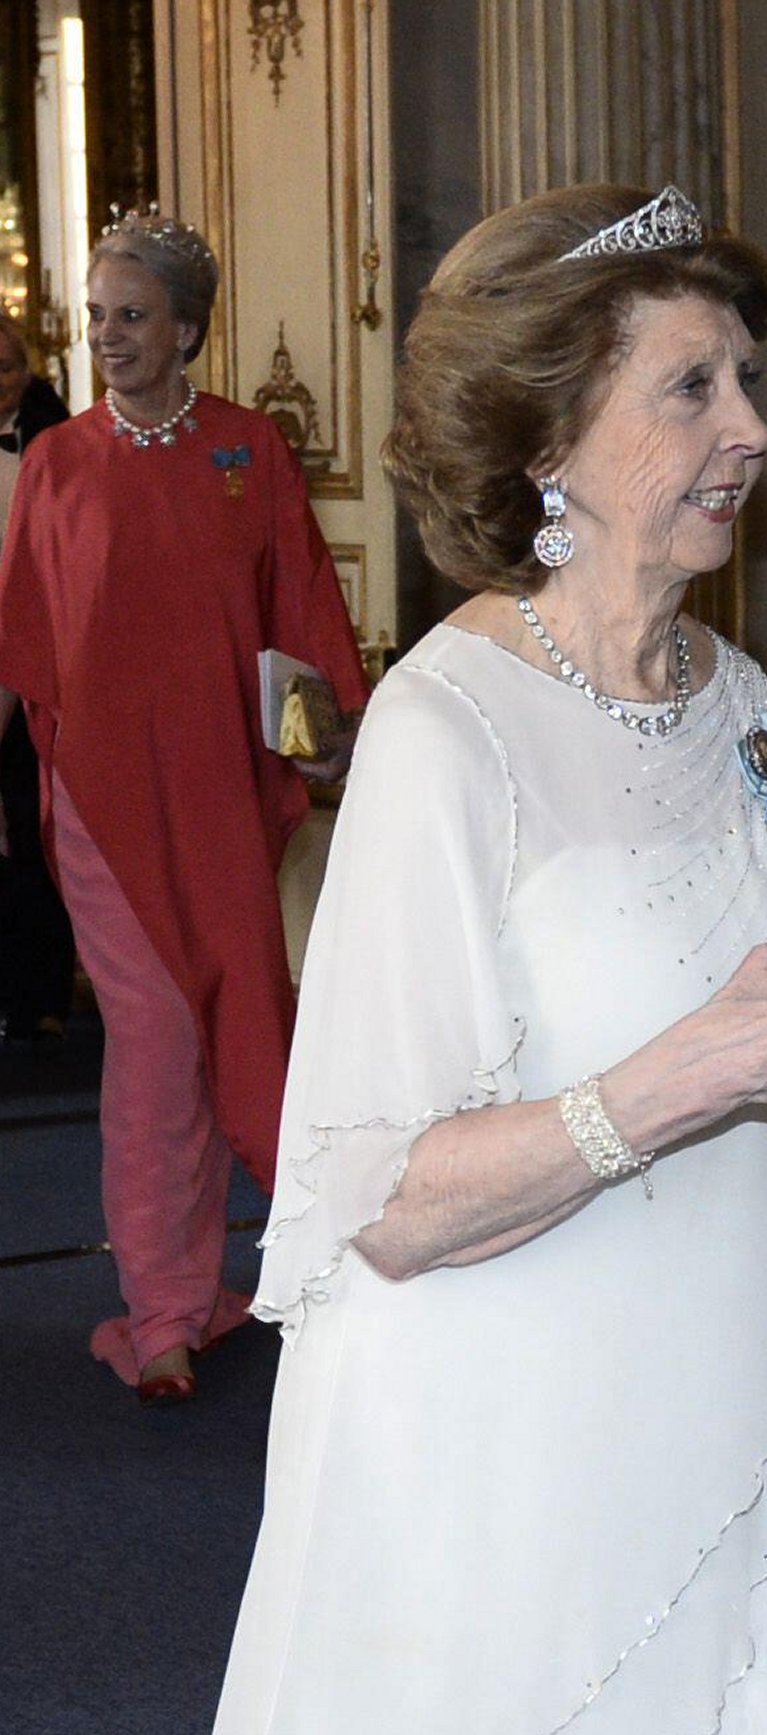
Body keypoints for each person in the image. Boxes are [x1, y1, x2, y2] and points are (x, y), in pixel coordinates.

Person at [214, 183, 767, 1735]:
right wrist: (703, 1069)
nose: (749, 428)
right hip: (505, 1460)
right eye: (691, 386)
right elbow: (386, 1205)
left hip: (717, 1398)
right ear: (549, 442)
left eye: (746, 380)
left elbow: (726, 994)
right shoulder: (448, 728)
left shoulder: (736, 691)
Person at [0, 210, 369, 1405]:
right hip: (103, 807)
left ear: (188, 329)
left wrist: (325, 751)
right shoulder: (56, 462)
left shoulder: (248, 451)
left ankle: (259, 1273)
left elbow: (302, 613)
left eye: (132, 316)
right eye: (96, 316)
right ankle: (161, 1309)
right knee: (158, 1040)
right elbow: (25, 641)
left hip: (222, 796)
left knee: (238, 1028)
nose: (107, 336)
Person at [0, 313, 75, 1043]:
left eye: (10, 367)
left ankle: (44, 995)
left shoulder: (59, 443)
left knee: (34, 830)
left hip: (37, 651)